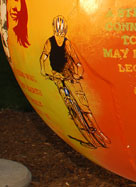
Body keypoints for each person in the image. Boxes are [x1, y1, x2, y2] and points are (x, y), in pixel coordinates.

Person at [40, 16, 109, 148]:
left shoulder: (67, 43)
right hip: (57, 74)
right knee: (64, 95)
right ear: (54, 31)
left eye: (62, 33)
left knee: (84, 106)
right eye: (57, 33)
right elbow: (43, 56)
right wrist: (43, 70)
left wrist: (78, 73)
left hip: (70, 74)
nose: (59, 36)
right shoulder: (49, 42)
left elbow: (76, 60)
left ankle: (99, 133)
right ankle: (75, 117)